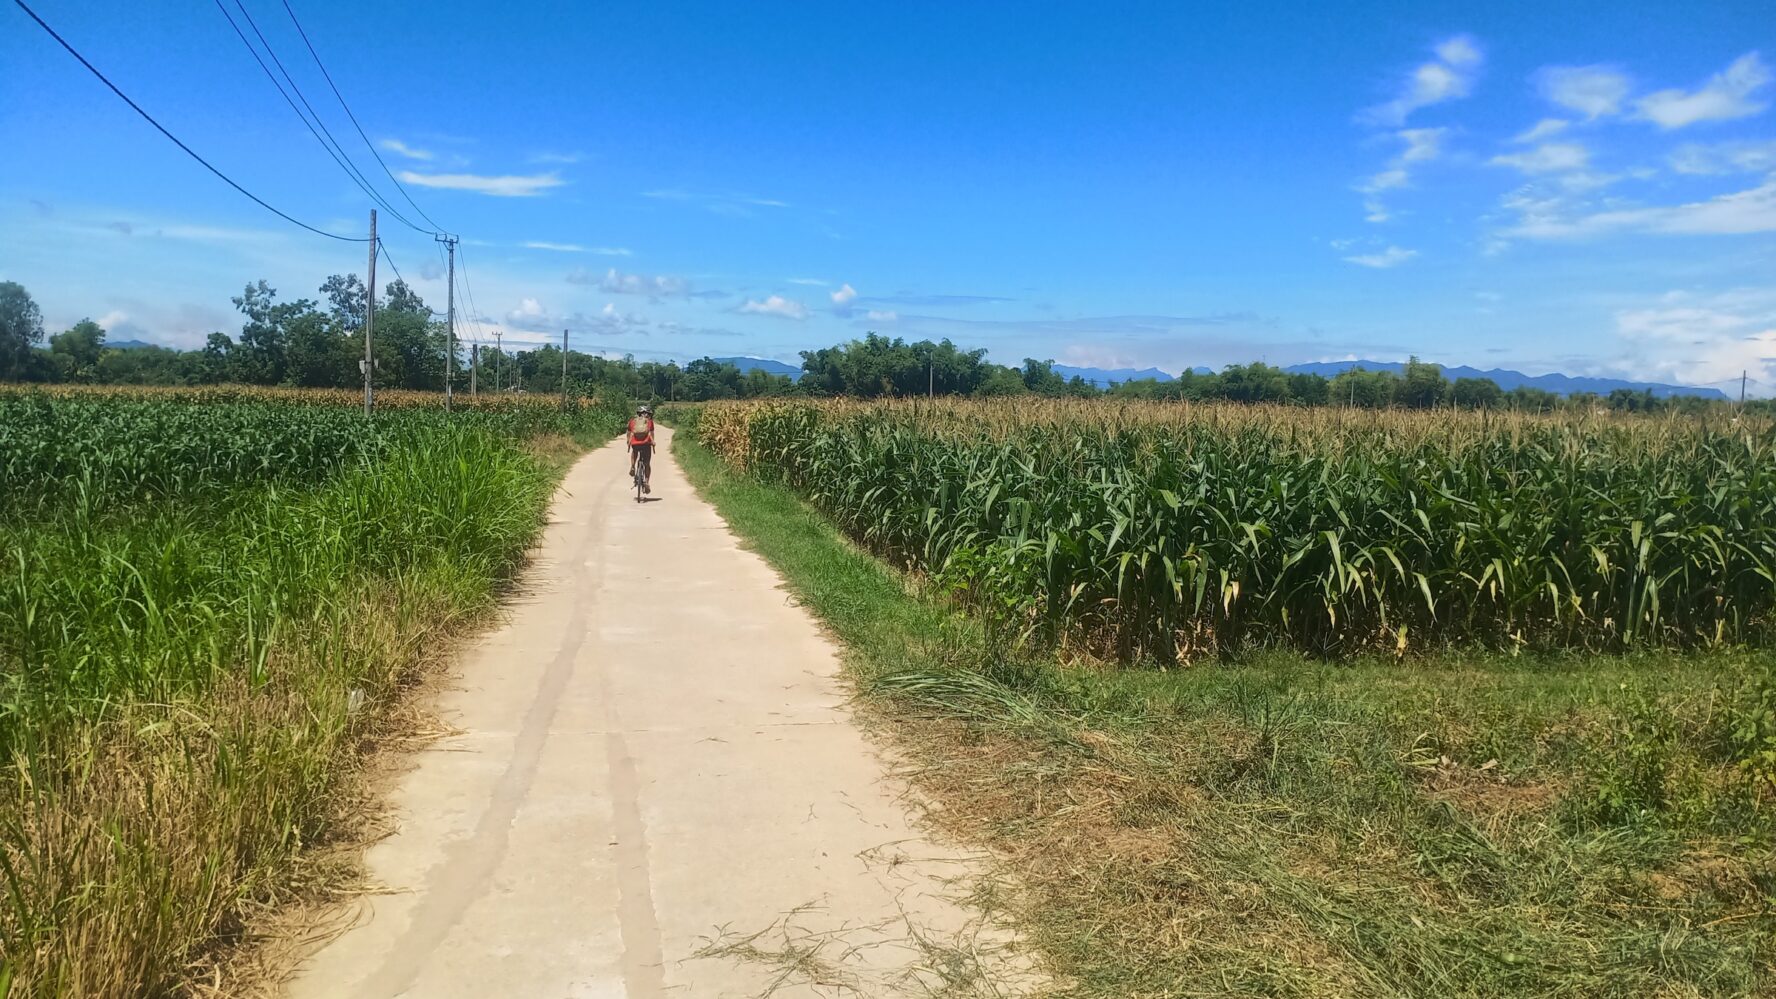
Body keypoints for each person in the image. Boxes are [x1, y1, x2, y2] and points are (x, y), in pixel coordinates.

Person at [627, 405, 655, 492]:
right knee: (647, 464)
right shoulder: (649, 422)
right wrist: (653, 443)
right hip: (646, 444)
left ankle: (632, 466)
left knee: (634, 451)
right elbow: (651, 434)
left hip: (635, 443)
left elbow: (629, 432)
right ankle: (646, 482)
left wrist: (628, 442)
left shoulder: (632, 421)